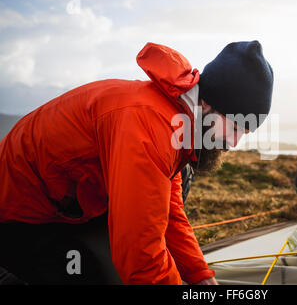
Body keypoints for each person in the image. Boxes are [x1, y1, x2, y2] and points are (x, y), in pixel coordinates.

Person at [0, 40, 274, 285]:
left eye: (245, 131)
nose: (235, 142)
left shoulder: (178, 119)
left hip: (69, 205)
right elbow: (141, 257)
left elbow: (169, 212)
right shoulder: (150, 125)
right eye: (236, 127)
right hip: (17, 213)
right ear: (209, 104)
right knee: (85, 275)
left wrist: (201, 276)